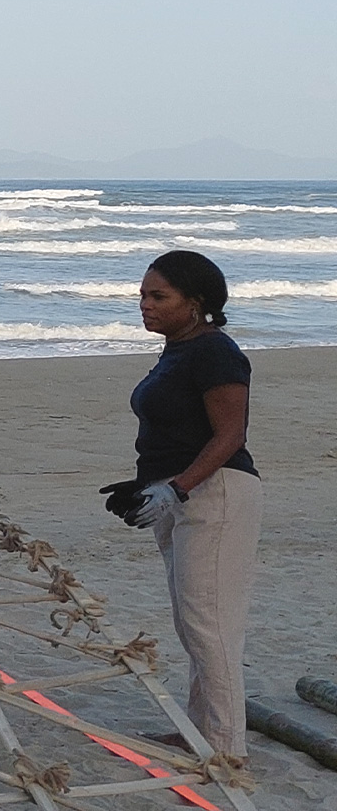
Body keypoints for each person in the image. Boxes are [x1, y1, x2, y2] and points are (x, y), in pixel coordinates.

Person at [104, 251, 260, 760]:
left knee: (208, 624)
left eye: (158, 296)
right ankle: (201, 732)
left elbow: (230, 435)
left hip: (215, 494)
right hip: (180, 493)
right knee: (194, 622)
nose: (144, 305)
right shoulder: (178, 351)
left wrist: (176, 489)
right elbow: (177, 434)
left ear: (195, 303)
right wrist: (145, 485)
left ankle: (225, 748)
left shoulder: (215, 352)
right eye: (142, 295)